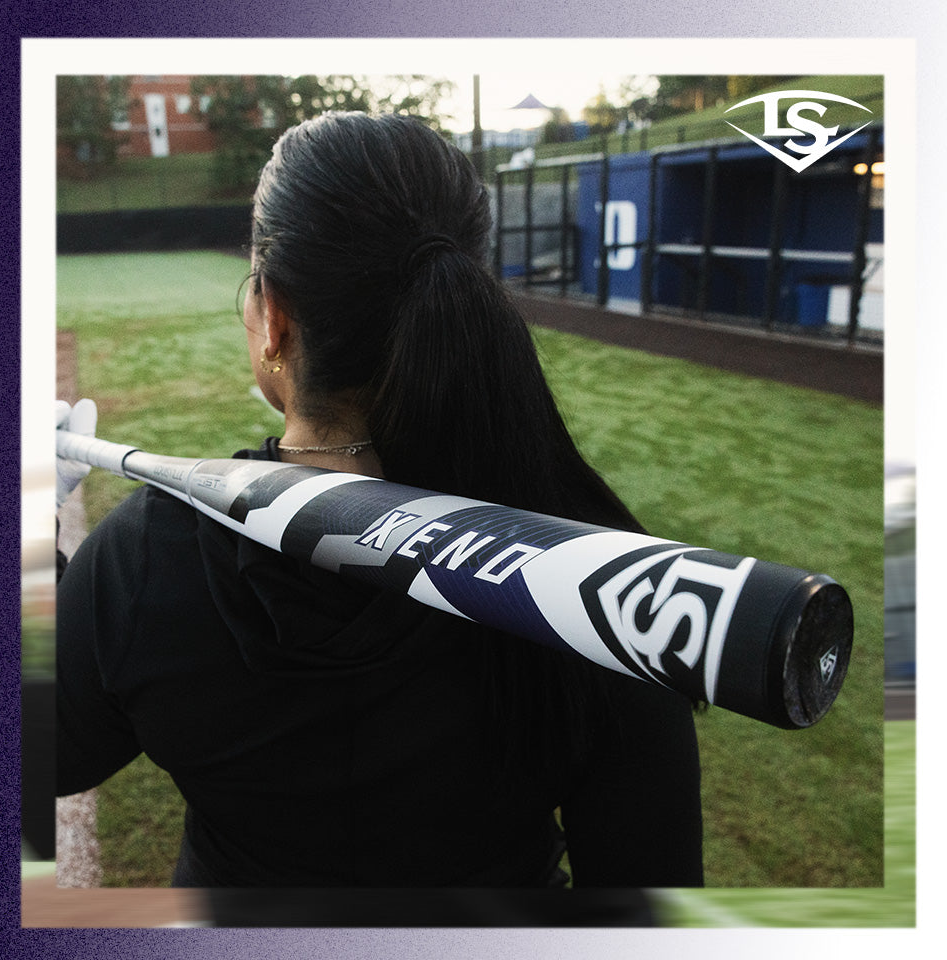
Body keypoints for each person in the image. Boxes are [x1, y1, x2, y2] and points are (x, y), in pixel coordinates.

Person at [56, 112, 703, 924]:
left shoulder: (144, 556)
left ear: (276, 321)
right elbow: (647, 900)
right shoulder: (603, 574)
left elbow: (45, 754)